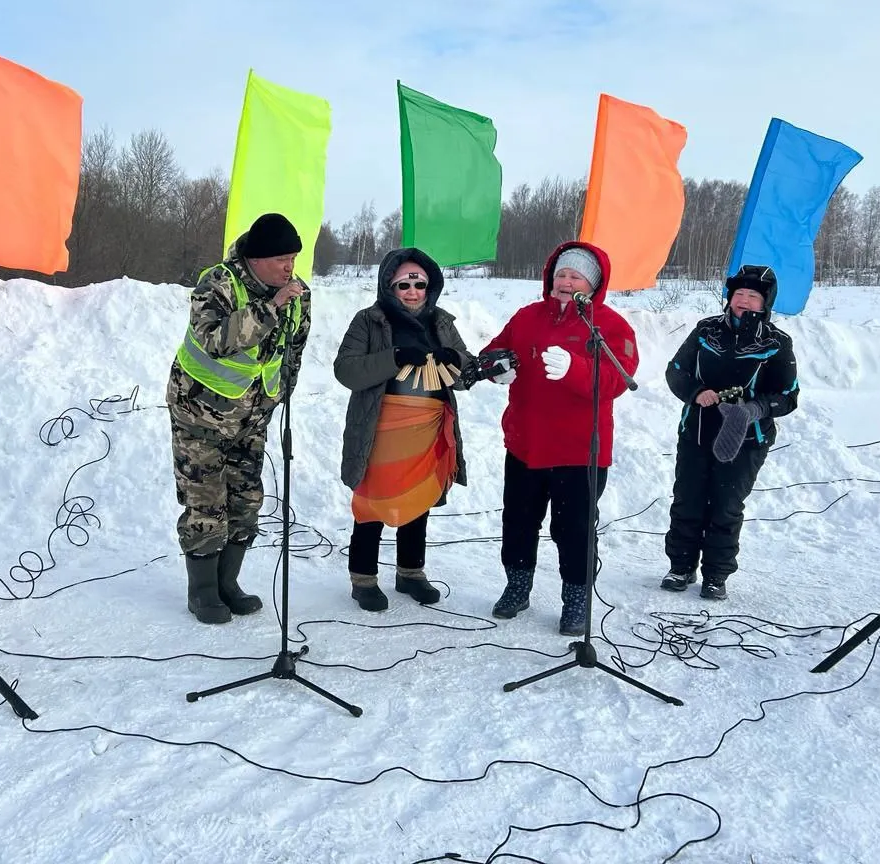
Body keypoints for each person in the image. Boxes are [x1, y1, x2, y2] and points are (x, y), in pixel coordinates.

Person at [480, 241, 639, 635]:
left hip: (579, 451)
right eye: (561, 274)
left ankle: (577, 600)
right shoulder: (527, 317)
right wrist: (496, 366)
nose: (566, 281)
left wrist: (577, 368)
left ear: (594, 283)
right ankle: (517, 587)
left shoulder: (611, 326)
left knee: (574, 530)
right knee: (518, 522)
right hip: (526, 445)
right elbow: (494, 350)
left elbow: (619, 380)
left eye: (576, 276)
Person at [167, 212, 311, 624]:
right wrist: (269, 308)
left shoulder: (298, 294)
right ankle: (203, 592)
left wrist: (280, 396)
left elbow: (293, 352)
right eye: (282, 259)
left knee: (246, 502)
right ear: (257, 258)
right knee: (205, 503)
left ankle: (228, 584)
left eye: (294, 258)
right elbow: (214, 340)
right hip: (199, 417)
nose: (290, 268)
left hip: (251, 419)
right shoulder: (220, 283)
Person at [333, 249, 475, 611]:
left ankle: (411, 573)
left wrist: (455, 360)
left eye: (419, 284)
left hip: (427, 429)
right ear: (389, 286)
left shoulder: (441, 322)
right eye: (404, 284)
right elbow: (347, 370)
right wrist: (393, 357)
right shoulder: (369, 320)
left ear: (430, 286)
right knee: (372, 503)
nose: (412, 291)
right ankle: (363, 578)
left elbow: (467, 373)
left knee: (419, 499)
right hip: (380, 428)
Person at [662, 264, 799, 599]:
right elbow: (676, 371)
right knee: (687, 500)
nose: (745, 300)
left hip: (746, 438)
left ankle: (716, 575)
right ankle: (680, 566)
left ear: (766, 302)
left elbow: (789, 395)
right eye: (739, 294)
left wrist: (756, 408)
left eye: (753, 296)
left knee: (726, 505)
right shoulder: (705, 330)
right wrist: (695, 392)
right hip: (697, 431)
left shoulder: (778, 342)